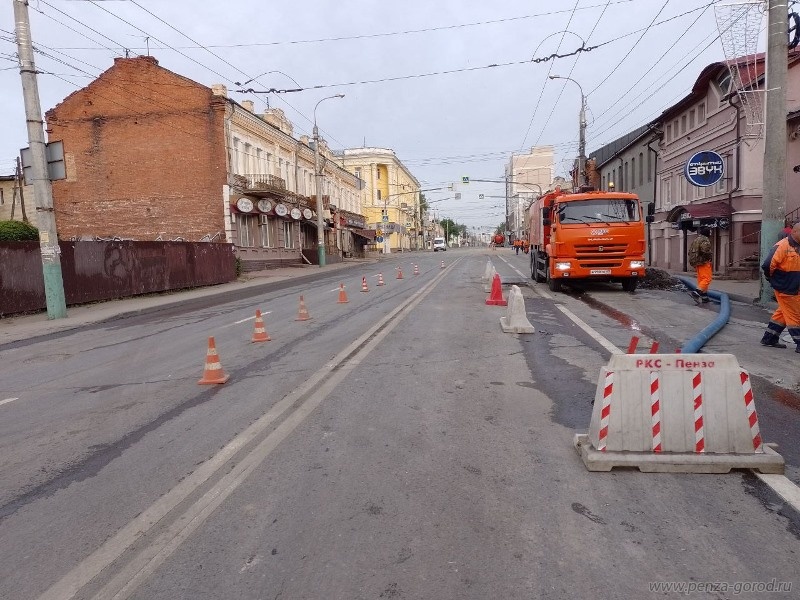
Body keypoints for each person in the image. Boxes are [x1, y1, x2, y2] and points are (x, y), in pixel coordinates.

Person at [760, 223, 800, 352]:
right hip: (786, 287)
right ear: (794, 232)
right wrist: (773, 279)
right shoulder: (783, 246)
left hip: (795, 287)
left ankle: (769, 338)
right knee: (795, 316)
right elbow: (767, 265)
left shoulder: (798, 247)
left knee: (783, 313)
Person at [688, 226, 713, 303]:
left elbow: (690, 251)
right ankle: (697, 292)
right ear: (707, 233)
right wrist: (709, 257)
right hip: (703, 262)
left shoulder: (697, 239)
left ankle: (704, 297)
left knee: (701, 279)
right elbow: (705, 250)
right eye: (710, 232)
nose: (711, 233)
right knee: (707, 279)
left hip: (696, 262)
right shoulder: (705, 240)